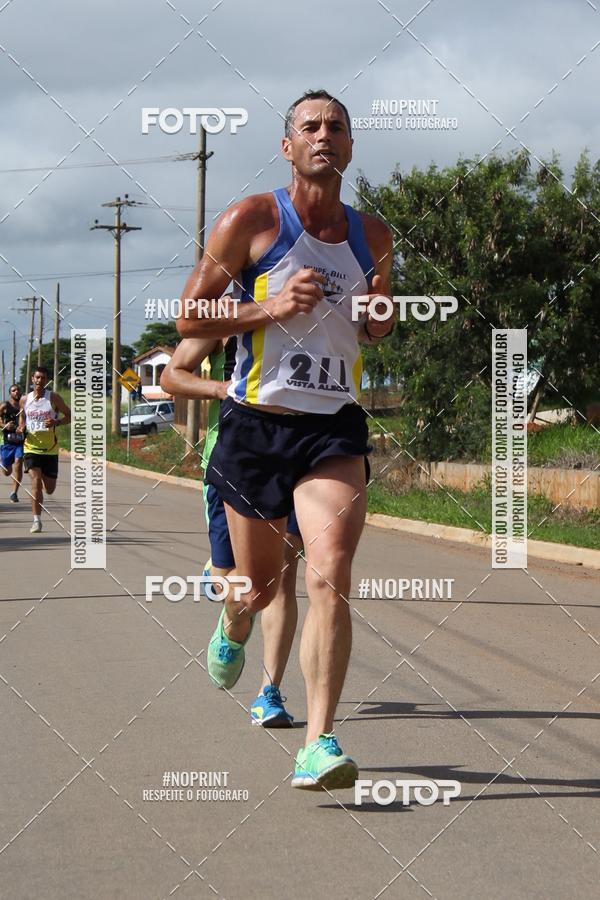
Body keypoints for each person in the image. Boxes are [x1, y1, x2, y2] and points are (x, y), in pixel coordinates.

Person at [177, 89, 394, 790]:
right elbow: (189, 318)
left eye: (337, 126)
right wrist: (268, 304)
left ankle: (320, 742)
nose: (324, 135)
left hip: (332, 424)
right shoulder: (253, 218)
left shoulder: (375, 236)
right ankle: (232, 621)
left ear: (352, 147)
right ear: (288, 145)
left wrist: (382, 316)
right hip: (254, 427)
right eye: (310, 126)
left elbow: (376, 324)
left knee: (330, 570)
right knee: (262, 587)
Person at [161, 336, 302, 727]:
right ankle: (231, 629)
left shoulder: (323, 297)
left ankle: (268, 693)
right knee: (240, 589)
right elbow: (173, 375)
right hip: (237, 456)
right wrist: (222, 389)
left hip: (304, 452)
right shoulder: (230, 309)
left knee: (283, 575)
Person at [17, 366, 71, 533]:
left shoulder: (53, 398)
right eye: (37, 377)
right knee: (35, 483)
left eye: (43, 378)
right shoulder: (25, 400)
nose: (40, 381)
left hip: (50, 449)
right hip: (30, 447)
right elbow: (22, 418)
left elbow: (69, 416)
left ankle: (45, 491)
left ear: (47, 380)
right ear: (32, 379)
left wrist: (56, 422)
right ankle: (36, 521)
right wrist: (21, 427)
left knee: (49, 488)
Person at [0, 384, 24, 502]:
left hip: (20, 441)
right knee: (7, 472)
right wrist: (5, 425)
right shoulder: (5, 405)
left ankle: (14, 492)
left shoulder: (25, 405)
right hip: (7, 442)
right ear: (10, 393)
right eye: (14, 390)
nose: (16, 392)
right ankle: (3, 462)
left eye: (18, 390)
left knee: (18, 463)